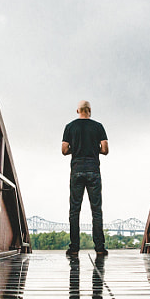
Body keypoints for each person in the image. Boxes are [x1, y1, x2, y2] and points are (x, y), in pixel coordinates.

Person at [61, 100, 109, 258]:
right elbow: (105, 149)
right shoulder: (98, 126)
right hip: (93, 170)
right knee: (96, 211)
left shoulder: (70, 127)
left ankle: (74, 248)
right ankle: (100, 248)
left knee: (74, 210)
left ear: (77, 110)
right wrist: (94, 149)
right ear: (90, 110)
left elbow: (64, 150)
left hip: (77, 170)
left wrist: (76, 148)